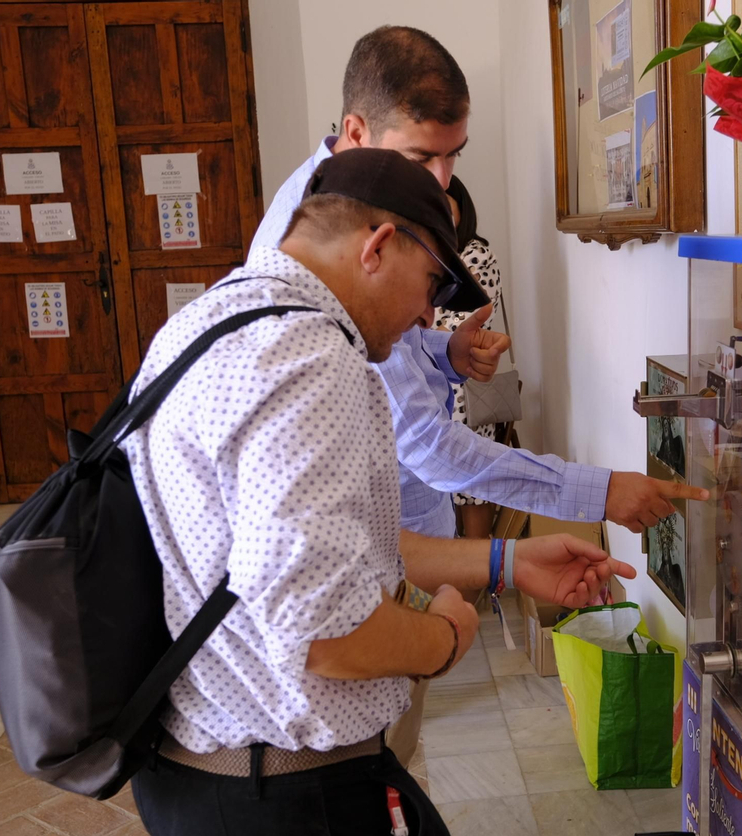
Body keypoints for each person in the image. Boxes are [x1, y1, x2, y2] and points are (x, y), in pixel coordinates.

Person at [122, 147, 633, 836]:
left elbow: (328, 549)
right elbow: (326, 633)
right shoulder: (312, 359)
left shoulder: (209, 320)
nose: (428, 317)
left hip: (212, 781)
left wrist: (503, 562)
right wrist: (444, 637)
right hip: (286, 803)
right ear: (378, 246)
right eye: (431, 284)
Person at [252, 25, 706, 544]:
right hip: (382, 543)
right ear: (356, 133)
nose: (442, 180)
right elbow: (427, 444)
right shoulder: (323, 241)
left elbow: (377, 352)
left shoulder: (345, 197)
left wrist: (443, 351)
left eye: (454, 155)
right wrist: (599, 492)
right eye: (421, 158)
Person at [435, 176, 505, 540]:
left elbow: (461, 326)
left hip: (465, 390)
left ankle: (478, 569)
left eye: (446, 208)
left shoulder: (475, 254)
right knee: (447, 490)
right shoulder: (434, 253)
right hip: (437, 388)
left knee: (473, 488)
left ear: (463, 210)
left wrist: (423, 326)